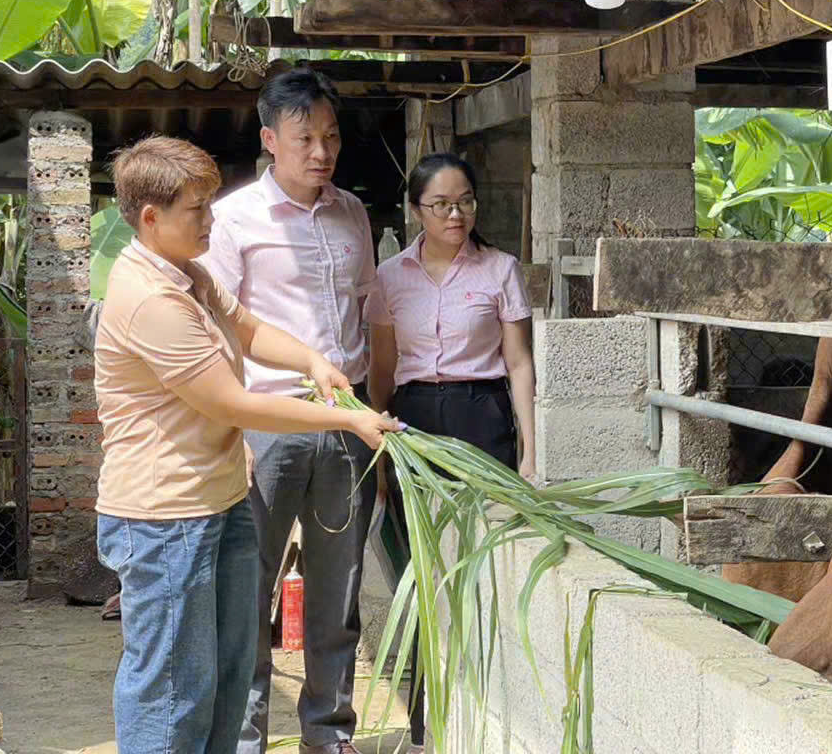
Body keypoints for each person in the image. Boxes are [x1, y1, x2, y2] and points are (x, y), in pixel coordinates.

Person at [94, 135, 399, 754]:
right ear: (150, 218)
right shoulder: (148, 297)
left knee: (229, 673)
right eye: (196, 209)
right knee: (174, 686)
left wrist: (313, 361)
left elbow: (250, 328)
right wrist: (346, 420)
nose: (211, 219)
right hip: (165, 517)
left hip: (221, 495)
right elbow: (231, 403)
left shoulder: (189, 273)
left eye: (210, 204)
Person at [199, 67, 383, 754]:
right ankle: (245, 741)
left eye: (330, 136)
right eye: (305, 138)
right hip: (266, 427)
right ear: (271, 139)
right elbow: (219, 332)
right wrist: (231, 431)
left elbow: (368, 316)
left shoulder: (353, 214)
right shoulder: (234, 219)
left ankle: (328, 737)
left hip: (345, 428)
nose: (321, 152)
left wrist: (372, 416)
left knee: (338, 598)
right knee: (249, 596)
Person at [367, 152, 539, 751]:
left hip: (482, 419)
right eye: (441, 204)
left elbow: (519, 366)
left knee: (483, 564)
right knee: (423, 572)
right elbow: (383, 371)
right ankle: (426, 720)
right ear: (416, 210)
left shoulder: (500, 270)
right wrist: (382, 455)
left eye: (465, 201)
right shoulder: (390, 277)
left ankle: (490, 709)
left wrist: (529, 454)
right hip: (413, 426)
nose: (456, 214)